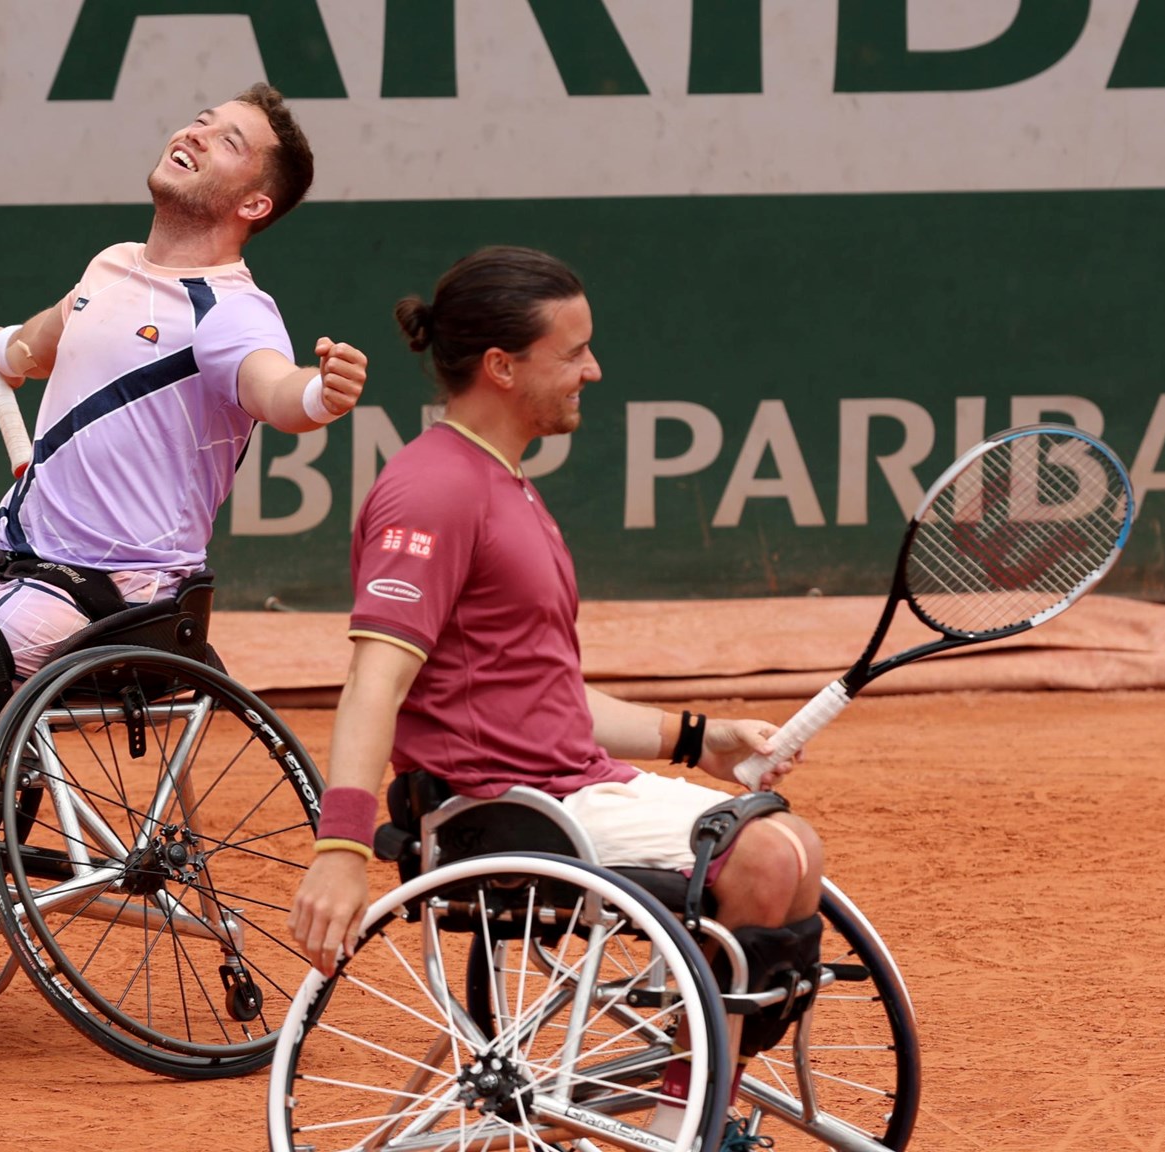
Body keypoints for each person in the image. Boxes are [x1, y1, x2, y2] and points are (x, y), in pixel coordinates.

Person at [0, 83, 369, 998]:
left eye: (228, 139)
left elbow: (275, 389)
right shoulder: (108, 266)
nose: (194, 131)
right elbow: (43, 341)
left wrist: (319, 395)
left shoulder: (230, 312)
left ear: (253, 203)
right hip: (14, 556)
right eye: (200, 117)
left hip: (123, 596)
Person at [286, 246, 824, 1089]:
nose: (594, 369)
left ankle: (686, 1091)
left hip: (567, 783)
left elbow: (537, 687)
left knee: (792, 843)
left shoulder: (503, 482)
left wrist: (700, 737)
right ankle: (681, 1112)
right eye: (572, 352)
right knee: (765, 859)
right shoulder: (434, 491)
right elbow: (374, 682)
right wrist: (342, 846)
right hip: (501, 810)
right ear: (501, 366)